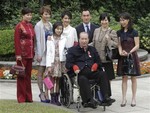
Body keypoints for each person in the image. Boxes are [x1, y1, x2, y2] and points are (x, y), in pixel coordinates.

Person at [66, 32, 115, 109]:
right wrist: (74, 66)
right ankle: (89, 100)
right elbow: (68, 64)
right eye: (82, 39)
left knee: (103, 74)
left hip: (92, 71)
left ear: (88, 40)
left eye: (86, 39)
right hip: (80, 73)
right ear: (79, 39)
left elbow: (99, 62)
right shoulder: (72, 50)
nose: (84, 41)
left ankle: (106, 97)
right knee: (83, 79)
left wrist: (96, 65)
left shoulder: (92, 49)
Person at [117, 12, 141, 107]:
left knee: (133, 78)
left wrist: (129, 52)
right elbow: (119, 44)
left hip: (132, 56)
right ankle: (123, 98)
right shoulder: (119, 32)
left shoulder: (134, 32)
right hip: (123, 57)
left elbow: (137, 45)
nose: (122, 22)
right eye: (121, 20)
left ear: (128, 20)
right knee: (124, 78)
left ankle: (133, 98)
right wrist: (120, 52)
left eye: (123, 20)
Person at [93, 13, 118, 97]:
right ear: (100, 21)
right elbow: (93, 43)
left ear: (109, 21)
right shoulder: (96, 31)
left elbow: (116, 44)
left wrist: (109, 40)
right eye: (103, 20)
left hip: (107, 59)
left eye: (106, 20)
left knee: (108, 78)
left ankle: (107, 95)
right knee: (97, 78)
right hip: (97, 59)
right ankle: (98, 95)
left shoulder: (112, 32)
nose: (104, 22)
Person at [14, 7, 35, 103]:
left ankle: (28, 97)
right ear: (23, 15)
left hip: (30, 54)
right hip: (21, 55)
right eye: (27, 14)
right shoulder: (19, 26)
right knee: (21, 76)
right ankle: (21, 98)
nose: (29, 16)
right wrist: (18, 54)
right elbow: (17, 41)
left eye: (30, 14)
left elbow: (33, 40)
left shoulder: (31, 26)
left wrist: (33, 52)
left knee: (28, 76)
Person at [34, 6, 53, 103]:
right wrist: (39, 54)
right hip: (41, 52)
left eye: (48, 13)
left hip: (49, 53)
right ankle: (41, 93)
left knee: (47, 74)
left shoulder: (50, 24)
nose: (47, 15)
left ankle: (47, 93)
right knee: (40, 73)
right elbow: (37, 41)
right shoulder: (38, 25)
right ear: (41, 15)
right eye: (45, 14)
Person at [46, 22, 66, 106]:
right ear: (54, 29)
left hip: (60, 61)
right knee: (51, 80)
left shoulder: (64, 38)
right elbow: (48, 52)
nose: (59, 30)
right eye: (57, 28)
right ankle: (52, 98)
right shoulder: (50, 38)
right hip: (52, 61)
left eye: (60, 29)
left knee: (58, 80)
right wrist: (48, 65)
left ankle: (56, 98)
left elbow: (65, 50)